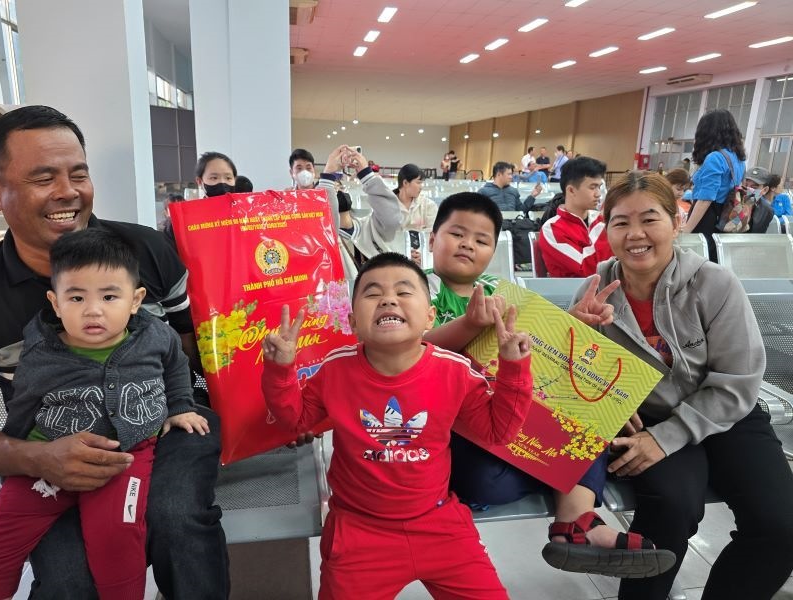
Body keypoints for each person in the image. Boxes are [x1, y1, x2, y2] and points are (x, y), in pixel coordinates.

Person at [0, 105, 229, 598]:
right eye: (44, 178)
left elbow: (201, 350)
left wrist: (273, 407)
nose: (68, 191)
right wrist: (37, 457)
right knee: (70, 575)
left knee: (176, 517)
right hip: (51, 443)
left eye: (78, 174)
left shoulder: (147, 251)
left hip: (167, 420)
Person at [422, 193, 674, 579]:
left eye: (482, 239)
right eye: (457, 234)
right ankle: (565, 479)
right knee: (489, 484)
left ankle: (576, 520)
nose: (468, 244)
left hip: (512, 421)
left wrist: (569, 323)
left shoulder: (502, 293)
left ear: (493, 251)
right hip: (457, 433)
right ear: (432, 237)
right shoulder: (415, 288)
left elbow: (536, 357)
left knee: (588, 418)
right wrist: (469, 325)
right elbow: (409, 352)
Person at [572, 170, 793, 600]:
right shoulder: (596, 290)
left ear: (676, 222)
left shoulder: (714, 284)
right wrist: (576, 337)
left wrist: (668, 436)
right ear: (606, 229)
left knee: (780, 526)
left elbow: (739, 379)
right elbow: (575, 379)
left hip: (728, 413)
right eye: (621, 222)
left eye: (649, 219)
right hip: (648, 418)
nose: (635, 234)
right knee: (670, 510)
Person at [261, 252, 533, 599]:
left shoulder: (455, 371)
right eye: (373, 293)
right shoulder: (335, 370)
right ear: (352, 321)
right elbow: (296, 419)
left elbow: (498, 431)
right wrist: (280, 370)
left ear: (430, 316)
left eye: (404, 292)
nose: (388, 299)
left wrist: (514, 369)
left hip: (440, 527)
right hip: (359, 533)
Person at [0, 228, 210, 600]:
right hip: (50, 457)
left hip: (124, 458)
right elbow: (23, 403)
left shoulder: (155, 336)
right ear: (55, 302)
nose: (93, 310)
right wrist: (20, 459)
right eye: (76, 297)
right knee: (1, 536)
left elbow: (176, 365)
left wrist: (179, 407)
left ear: (135, 300)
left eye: (109, 297)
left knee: (116, 540)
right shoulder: (40, 350)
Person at [317, 145, 411, 277]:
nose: (337, 190)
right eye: (333, 189)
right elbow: (322, 223)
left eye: (340, 187)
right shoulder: (327, 237)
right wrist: (327, 177)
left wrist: (366, 174)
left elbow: (392, 220)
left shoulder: (369, 226)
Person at [681, 109, 747, 259]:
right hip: (725, 217)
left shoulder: (715, 157)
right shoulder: (739, 159)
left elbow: (705, 199)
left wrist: (686, 231)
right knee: (715, 258)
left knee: (697, 258)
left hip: (707, 218)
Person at [539, 156, 613, 277]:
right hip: (573, 289)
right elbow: (587, 269)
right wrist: (608, 228)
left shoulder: (599, 219)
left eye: (599, 187)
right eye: (592, 187)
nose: (598, 194)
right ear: (571, 190)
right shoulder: (552, 229)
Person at [743, 166, 775, 233]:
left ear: (765, 190)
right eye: (746, 185)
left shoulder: (767, 210)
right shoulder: (732, 202)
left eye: (754, 187)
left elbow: (759, 235)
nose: (748, 189)